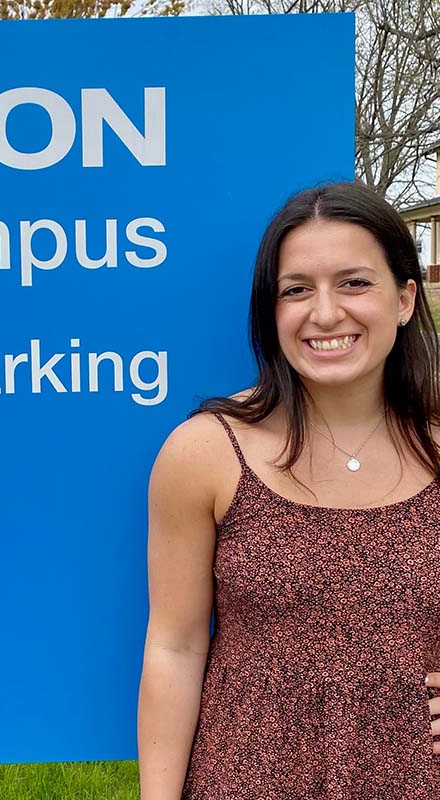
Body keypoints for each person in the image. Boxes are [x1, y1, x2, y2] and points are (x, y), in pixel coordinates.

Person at [136, 181, 440, 799]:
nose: (325, 313)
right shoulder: (206, 452)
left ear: (406, 298)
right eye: (296, 290)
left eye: (355, 283)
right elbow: (176, 644)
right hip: (245, 779)